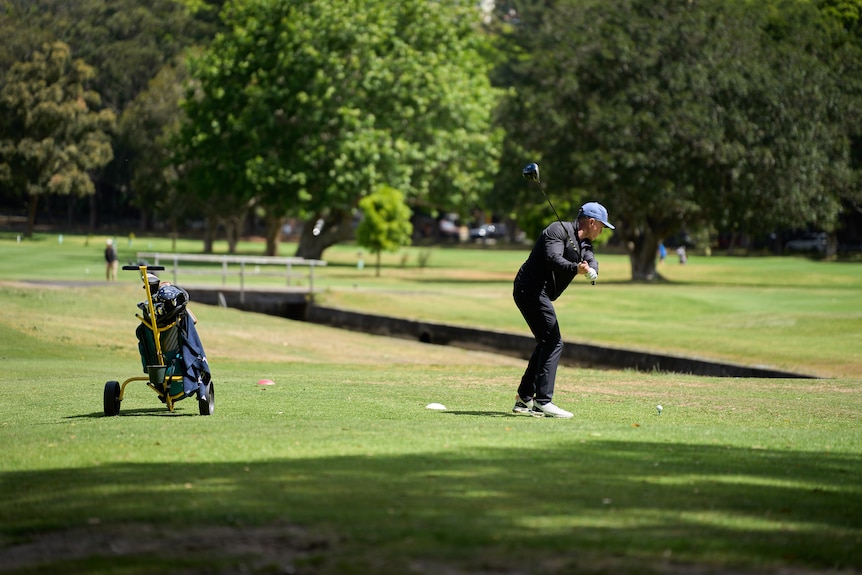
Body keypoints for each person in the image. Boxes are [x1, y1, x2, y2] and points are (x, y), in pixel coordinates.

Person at [512, 201, 614, 418]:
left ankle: (523, 398)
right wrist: (575, 269)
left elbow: (590, 258)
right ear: (592, 222)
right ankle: (543, 401)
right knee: (553, 341)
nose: (602, 230)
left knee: (545, 341)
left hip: (539, 293)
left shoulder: (584, 242)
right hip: (529, 289)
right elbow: (553, 259)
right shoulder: (557, 230)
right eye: (602, 226)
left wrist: (592, 270)